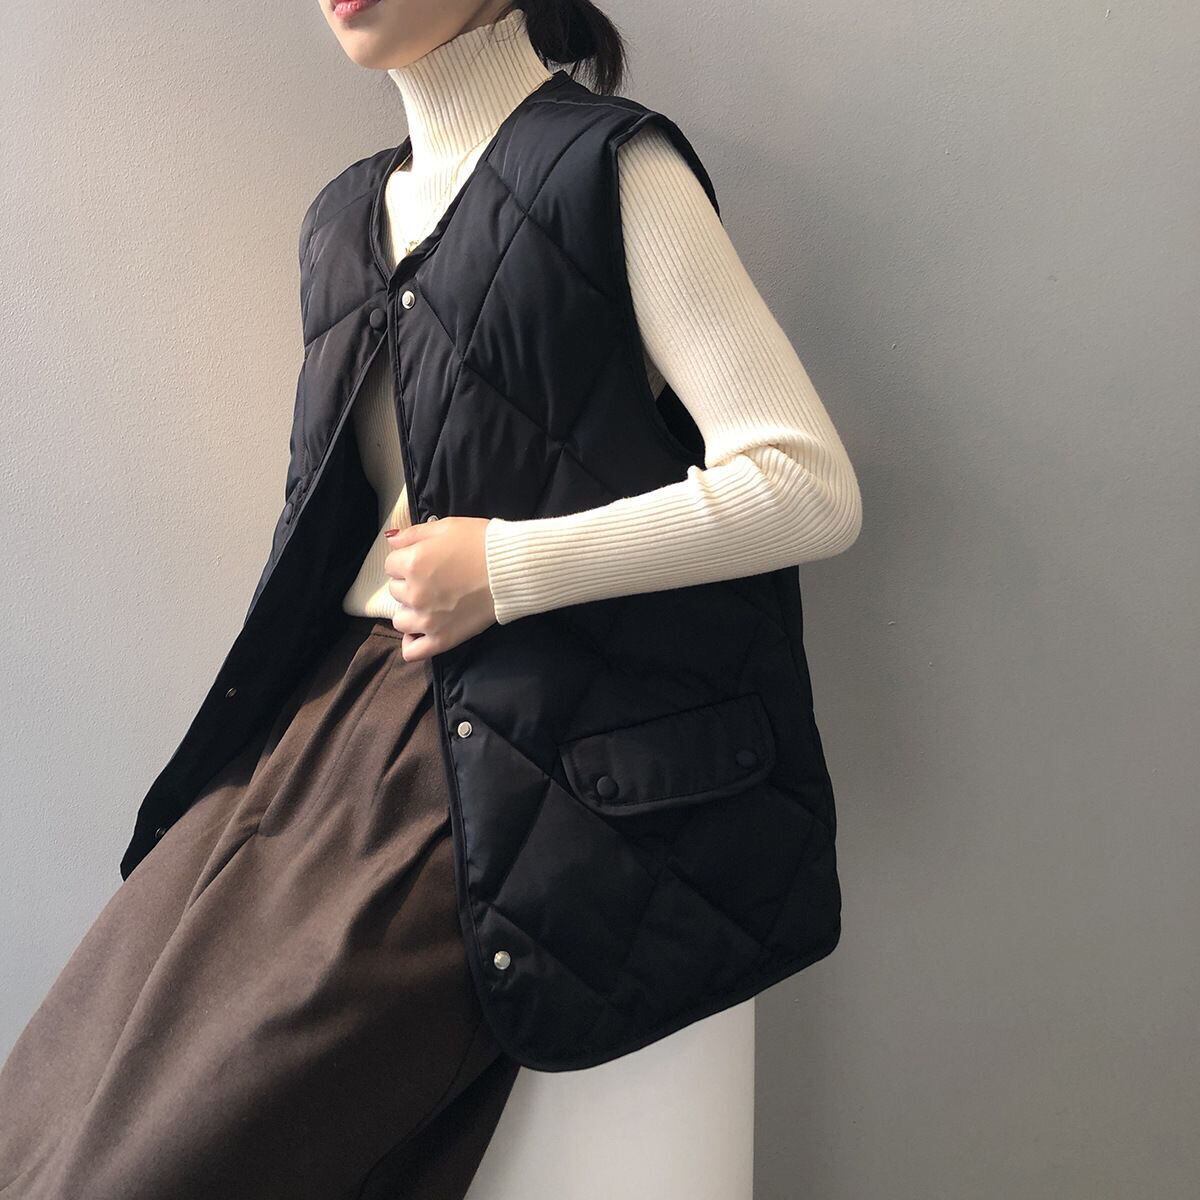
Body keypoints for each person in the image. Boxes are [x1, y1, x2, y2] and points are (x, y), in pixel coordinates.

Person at [0, 1, 862, 1197]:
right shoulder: (341, 222)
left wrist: (507, 568)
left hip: (502, 751)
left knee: (165, 1158)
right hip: (321, 736)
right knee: (46, 1121)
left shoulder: (608, 167)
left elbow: (804, 486)